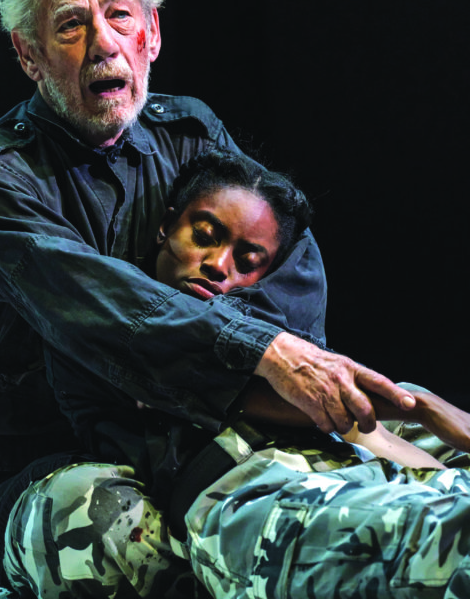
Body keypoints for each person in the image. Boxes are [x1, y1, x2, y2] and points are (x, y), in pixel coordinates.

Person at [0, 0, 415, 597]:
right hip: (53, 463)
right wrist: (256, 351)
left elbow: (289, 261)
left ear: (152, 34)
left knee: (350, 479)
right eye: (71, 25)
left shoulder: (190, 132)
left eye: (119, 16)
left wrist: (260, 359)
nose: (104, 43)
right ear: (28, 55)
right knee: (118, 538)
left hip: (195, 430)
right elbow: (89, 304)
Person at [25, 148, 470, 599]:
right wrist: (420, 408)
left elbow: (367, 434)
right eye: (204, 236)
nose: (218, 265)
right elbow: (210, 377)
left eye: (248, 260)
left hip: (347, 465)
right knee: (436, 541)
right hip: (250, 493)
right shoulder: (113, 325)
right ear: (166, 225)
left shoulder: (263, 327)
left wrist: (435, 460)